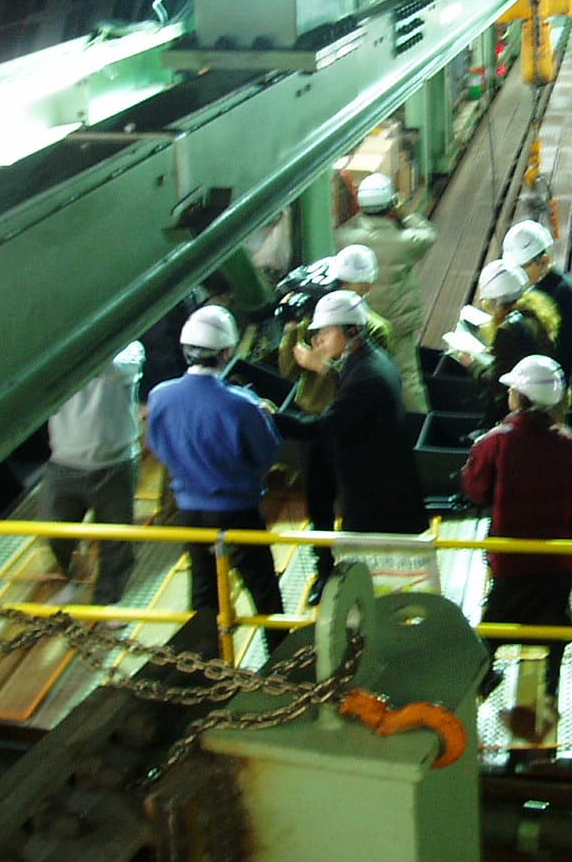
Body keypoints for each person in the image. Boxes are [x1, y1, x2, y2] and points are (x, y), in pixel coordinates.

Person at [461, 356, 572, 709]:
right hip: (555, 559)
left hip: (510, 557)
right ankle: (551, 686)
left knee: (495, 623)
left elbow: (475, 488)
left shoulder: (496, 441)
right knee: (554, 623)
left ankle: (482, 678)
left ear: (520, 396)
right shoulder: (570, 444)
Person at [146, 305, 285, 618]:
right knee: (263, 591)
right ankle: (278, 648)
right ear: (226, 352)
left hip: (190, 511)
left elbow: (158, 444)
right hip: (238, 511)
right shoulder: (242, 405)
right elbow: (267, 454)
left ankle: (204, 647)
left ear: (185, 350)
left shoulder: (160, 396)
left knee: (204, 590)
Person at [276, 247, 394, 600]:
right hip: (317, 425)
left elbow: (365, 384)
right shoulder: (317, 322)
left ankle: (367, 571)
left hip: (351, 428)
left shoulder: (375, 330)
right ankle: (324, 570)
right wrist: (290, 330)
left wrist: (322, 367)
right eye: (340, 282)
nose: (343, 289)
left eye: (352, 283)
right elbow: (288, 370)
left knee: (359, 501)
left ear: (367, 287)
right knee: (319, 502)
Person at [275, 290, 428, 553]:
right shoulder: (371, 359)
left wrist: (273, 419)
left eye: (326, 332)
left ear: (352, 330)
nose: (318, 340)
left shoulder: (366, 377)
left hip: (375, 493)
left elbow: (325, 427)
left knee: (365, 557)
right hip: (380, 479)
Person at [40, 340, 145, 604]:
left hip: (115, 465)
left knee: (116, 542)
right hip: (64, 463)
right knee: (56, 533)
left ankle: (108, 601)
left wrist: (75, 352)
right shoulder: (55, 354)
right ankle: (74, 576)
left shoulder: (131, 349)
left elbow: (115, 370)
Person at [335, 172, 437, 412]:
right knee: (408, 378)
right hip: (398, 323)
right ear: (391, 203)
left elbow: (347, 225)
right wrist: (405, 214)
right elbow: (429, 233)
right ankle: (419, 423)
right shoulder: (406, 241)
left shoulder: (344, 238)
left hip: (363, 323)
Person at [452, 259, 557, 426]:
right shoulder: (534, 311)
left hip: (519, 403)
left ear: (497, 301)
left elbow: (497, 380)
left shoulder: (507, 330)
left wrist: (472, 364)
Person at [502, 219, 572, 373]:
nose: (517, 273)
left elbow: (564, 349)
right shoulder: (526, 285)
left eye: (523, 267)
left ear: (544, 261)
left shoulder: (567, 292)